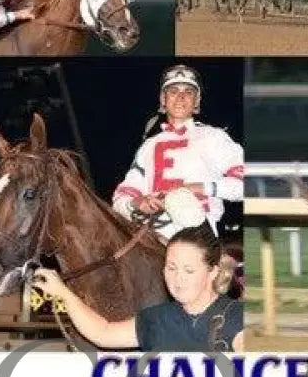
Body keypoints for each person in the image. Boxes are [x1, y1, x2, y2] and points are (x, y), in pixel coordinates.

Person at [33, 222, 244, 352]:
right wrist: (63, 292)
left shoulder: (238, 317)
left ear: (213, 271)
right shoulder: (155, 318)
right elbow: (103, 332)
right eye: (171, 268)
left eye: (189, 270)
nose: (177, 279)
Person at [112, 64, 244, 240]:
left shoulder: (214, 137)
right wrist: (139, 202)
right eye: (173, 91)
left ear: (196, 101)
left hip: (195, 234)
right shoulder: (149, 146)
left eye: (188, 92)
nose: (181, 97)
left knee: (181, 202)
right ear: (163, 99)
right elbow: (121, 198)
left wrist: (198, 187)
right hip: (148, 234)